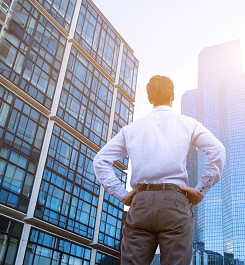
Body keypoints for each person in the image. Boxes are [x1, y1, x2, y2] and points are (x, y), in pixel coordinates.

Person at [93, 75, 225, 264]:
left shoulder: (131, 129)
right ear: (172, 96)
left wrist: (122, 194)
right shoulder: (188, 124)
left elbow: (100, 160)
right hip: (175, 202)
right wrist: (199, 191)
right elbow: (217, 151)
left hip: (141, 203)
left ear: (150, 99)